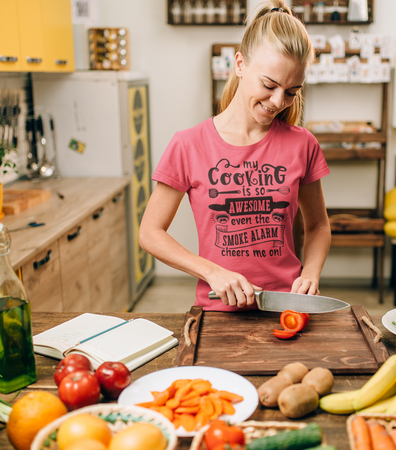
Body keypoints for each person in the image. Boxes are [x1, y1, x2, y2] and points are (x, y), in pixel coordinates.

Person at [139, 0, 331, 311]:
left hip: (287, 307)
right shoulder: (188, 145)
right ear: (239, 64)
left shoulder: (302, 144)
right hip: (219, 311)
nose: (278, 101)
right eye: (269, 85)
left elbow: (319, 225)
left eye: (292, 91)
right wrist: (211, 272)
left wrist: (310, 273)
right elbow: (150, 233)